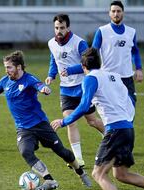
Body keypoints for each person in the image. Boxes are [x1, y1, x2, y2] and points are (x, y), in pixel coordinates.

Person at [51, 48, 144, 190]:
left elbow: (83, 106)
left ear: (83, 67)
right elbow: (129, 101)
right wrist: (127, 121)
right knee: (121, 174)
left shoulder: (89, 79)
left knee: (98, 174)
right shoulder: (114, 76)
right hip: (128, 129)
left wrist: (64, 121)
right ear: (99, 63)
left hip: (115, 130)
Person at [0, 50, 92, 190]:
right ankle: (49, 179)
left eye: (9, 67)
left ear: (18, 67)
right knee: (25, 151)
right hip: (23, 128)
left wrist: (44, 89)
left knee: (62, 152)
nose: (6, 71)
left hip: (40, 124)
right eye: (5, 67)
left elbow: (39, 85)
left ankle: (81, 173)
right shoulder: (4, 81)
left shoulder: (29, 79)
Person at [45, 13, 104, 167]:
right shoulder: (51, 43)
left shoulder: (79, 43)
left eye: (62, 28)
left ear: (68, 27)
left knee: (91, 121)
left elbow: (89, 64)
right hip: (65, 89)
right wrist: (51, 75)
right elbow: (54, 60)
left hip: (82, 87)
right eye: (56, 28)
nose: (59, 31)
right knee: (71, 122)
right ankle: (78, 159)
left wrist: (70, 70)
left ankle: (111, 136)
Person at [92, 0, 143, 104]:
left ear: (123, 12)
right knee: (113, 111)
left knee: (131, 109)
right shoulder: (102, 31)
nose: (116, 14)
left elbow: (135, 51)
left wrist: (138, 68)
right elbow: (92, 53)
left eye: (118, 11)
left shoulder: (131, 32)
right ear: (109, 13)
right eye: (113, 11)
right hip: (108, 78)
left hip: (127, 78)